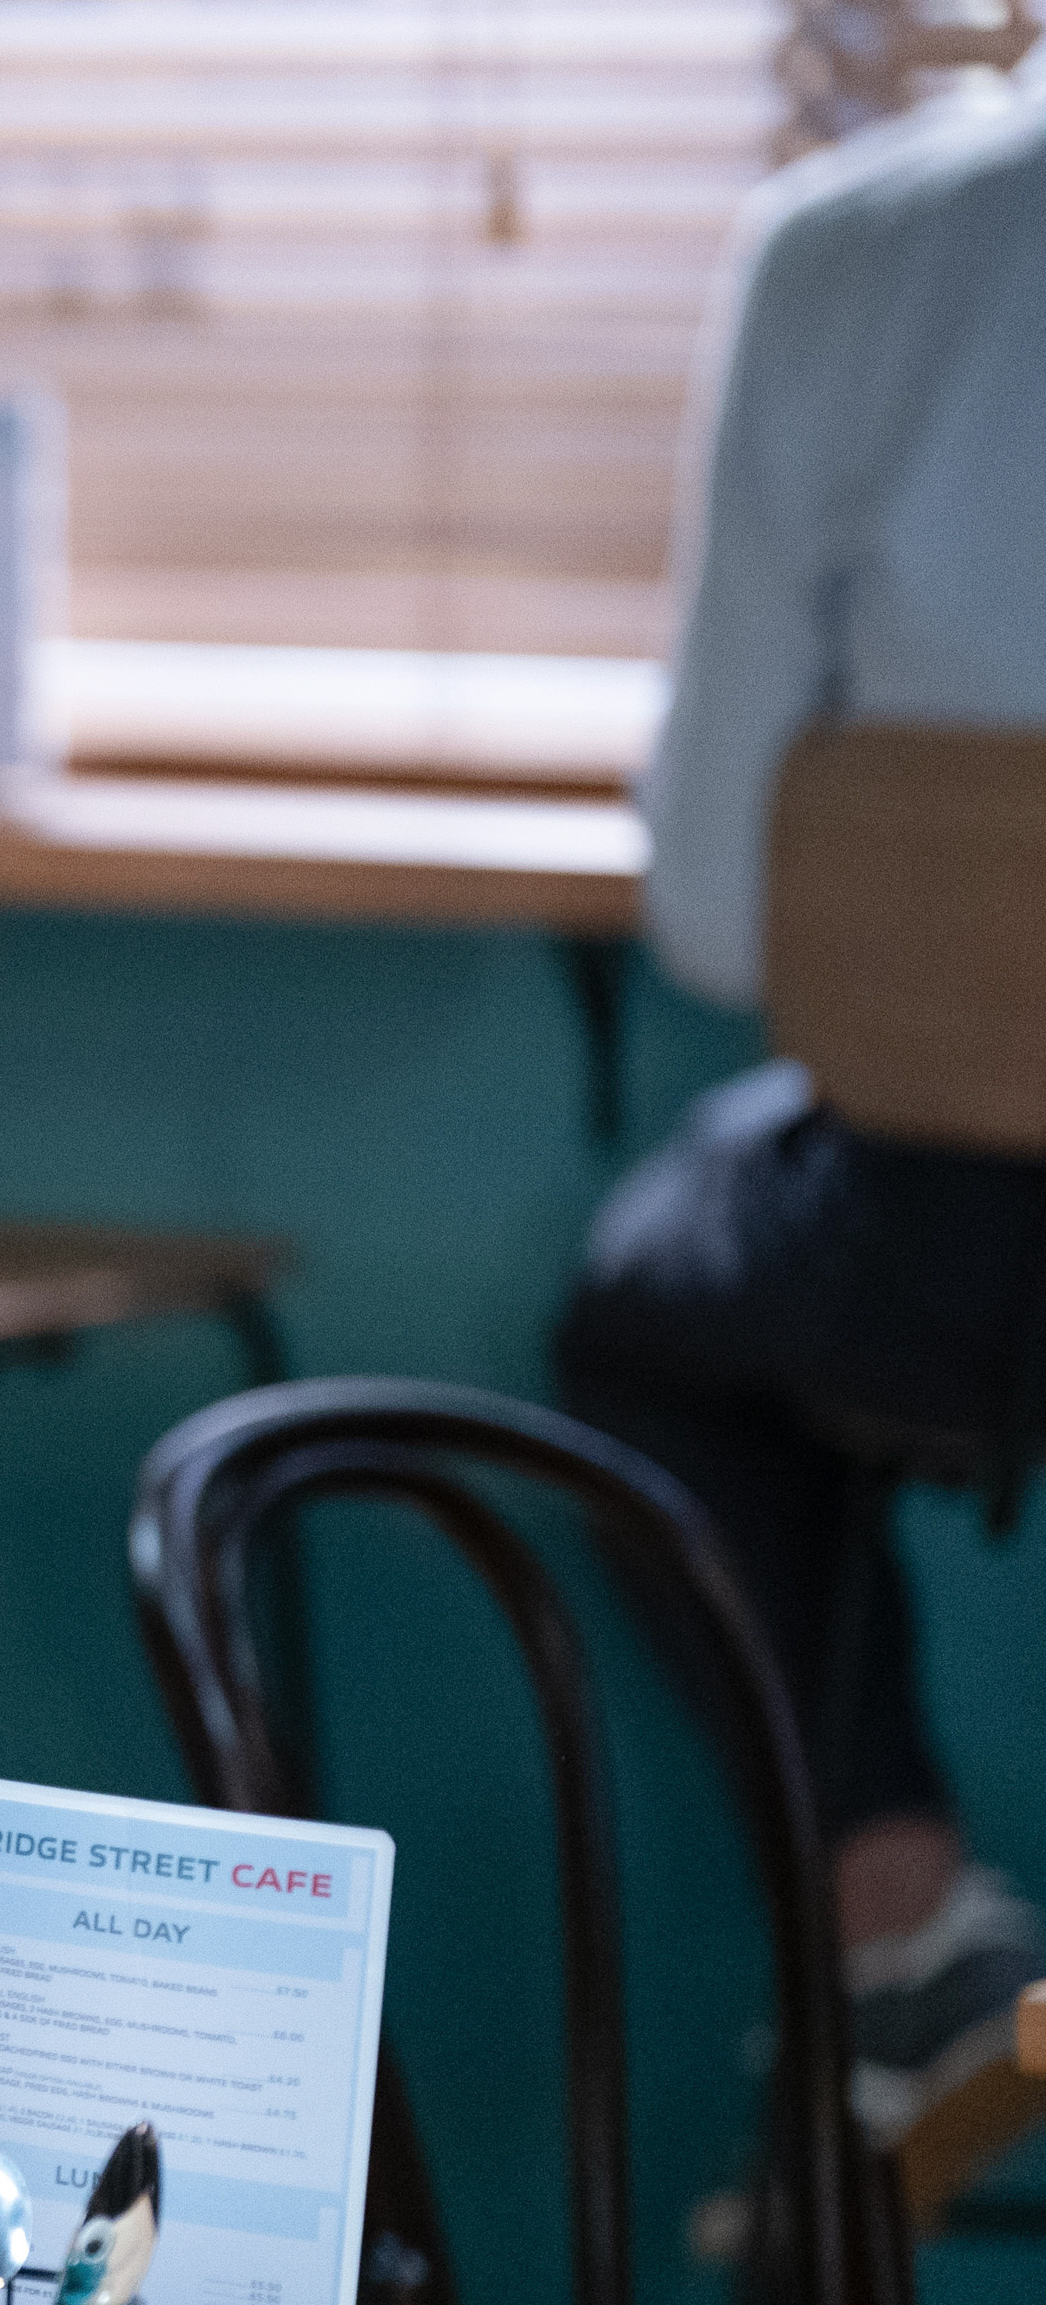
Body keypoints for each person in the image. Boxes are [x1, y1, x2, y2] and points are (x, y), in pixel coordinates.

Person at [558, 67, 1046, 2147]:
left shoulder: (859, 245)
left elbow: (712, 912)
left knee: (647, 1322)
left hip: (957, 1228)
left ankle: (899, 1926)